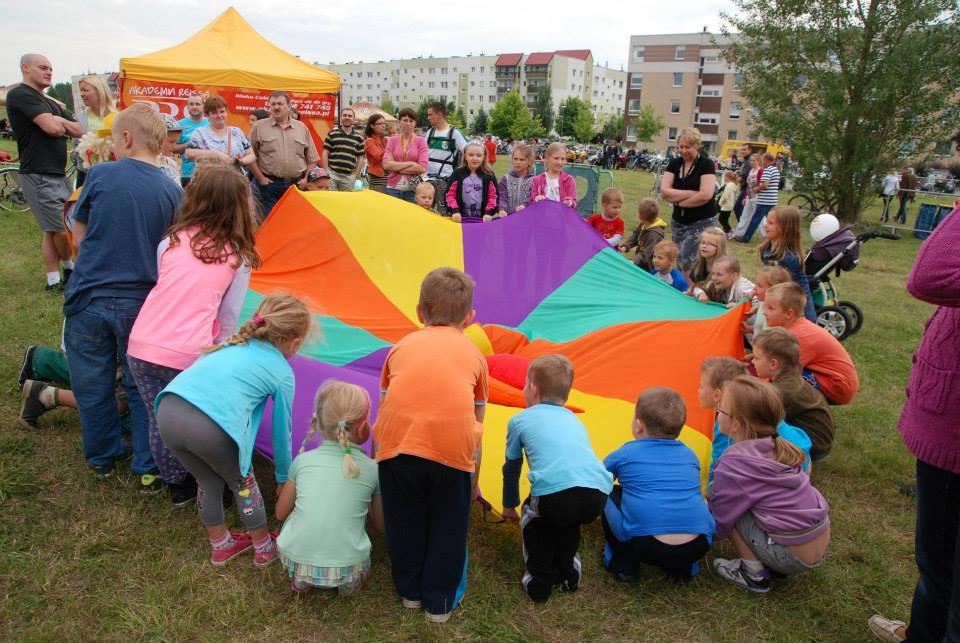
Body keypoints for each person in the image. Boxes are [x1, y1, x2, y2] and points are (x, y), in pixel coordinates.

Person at [63, 104, 182, 486]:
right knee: (140, 384)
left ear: (126, 138)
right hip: (143, 303)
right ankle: (147, 462)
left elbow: (78, 238)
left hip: (89, 296)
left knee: (91, 379)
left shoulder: (99, 175)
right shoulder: (171, 190)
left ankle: (102, 455)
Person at [127, 165, 260, 505]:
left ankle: (176, 485)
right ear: (240, 207)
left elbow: (168, 290)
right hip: (189, 355)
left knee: (160, 420)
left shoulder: (170, 242)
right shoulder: (237, 256)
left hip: (142, 346)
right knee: (209, 422)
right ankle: (217, 481)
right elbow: (229, 320)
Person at [156, 294, 308, 567]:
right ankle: (263, 547)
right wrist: (283, 476)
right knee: (243, 484)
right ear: (295, 343)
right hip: (209, 428)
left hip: (168, 412)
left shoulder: (231, 343)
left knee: (207, 480)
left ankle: (221, 544)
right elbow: (282, 432)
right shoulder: (282, 372)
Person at [373, 267, 488, 623]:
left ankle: (409, 590)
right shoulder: (475, 356)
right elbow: (477, 422)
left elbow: (387, 402)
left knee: (403, 519)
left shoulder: (400, 347)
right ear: (469, 318)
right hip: (452, 453)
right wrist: (474, 476)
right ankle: (438, 603)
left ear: (419, 311)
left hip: (396, 449)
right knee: (448, 525)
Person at [869, 204, 960, 643]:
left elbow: (931, 273)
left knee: (944, 566)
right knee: (937, 564)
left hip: (954, 438)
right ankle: (922, 633)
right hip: (946, 435)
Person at [500, 355, 612, 603]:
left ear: (533, 389)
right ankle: (569, 575)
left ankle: (539, 581)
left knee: (535, 520)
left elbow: (512, 467)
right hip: (596, 496)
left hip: (556, 495)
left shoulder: (519, 420)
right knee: (567, 522)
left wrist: (509, 505)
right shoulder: (573, 418)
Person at [710, 377, 830, 593]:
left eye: (721, 410)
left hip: (790, 555)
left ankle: (753, 574)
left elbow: (721, 518)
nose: (717, 413)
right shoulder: (780, 446)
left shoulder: (733, 463)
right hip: (818, 541)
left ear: (736, 423)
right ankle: (771, 557)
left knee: (724, 502)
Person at [275, 379, 384, 595]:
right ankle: (349, 585)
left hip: (298, 559)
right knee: (355, 571)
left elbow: (279, 513)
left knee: (296, 541)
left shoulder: (302, 461)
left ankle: (302, 581)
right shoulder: (373, 470)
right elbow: (381, 526)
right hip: (347, 565)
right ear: (363, 426)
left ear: (320, 423)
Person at [601, 388, 714, 583]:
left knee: (604, 490)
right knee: (694, 498)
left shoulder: (626, 453)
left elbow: (599, 479)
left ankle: (624, 563)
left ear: (638, 425)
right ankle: (683, 566)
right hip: (698, 545)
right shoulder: (690, 455)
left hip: (645, 545)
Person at [6, 53, 83, 291]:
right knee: (60, 230)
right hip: (38, 172)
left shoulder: (48, 101)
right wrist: (57, 124)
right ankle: (71, 270)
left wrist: (60, 124)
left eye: (50, 68)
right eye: (43, 68)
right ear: (25, 68)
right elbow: (51, 127)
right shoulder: (20, 94)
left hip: (56, 172)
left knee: (53, 229)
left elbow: (78, 129)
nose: (49, 72)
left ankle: (53, 280)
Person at [699, 357, 811, 485]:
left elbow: (718, 470)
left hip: (778, 480)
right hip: (799, 467)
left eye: (701, 386)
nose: (699, 390)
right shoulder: (760, 408)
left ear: (717, 395)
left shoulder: (726, 423)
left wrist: (709, 492)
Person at [763, 282, 859, 405]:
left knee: (783, 378)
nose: (764, 312)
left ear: (789, 313)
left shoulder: (799, 337)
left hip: (838, 386)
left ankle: (798, 416)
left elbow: (779, 370)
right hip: (831, 378)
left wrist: (757, 386)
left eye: (770, 308)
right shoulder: (795, 327)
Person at [752, 328, 835, 460]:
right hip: (817, 440)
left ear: (773, 364)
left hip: (813, 447)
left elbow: (756, 420)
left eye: (756, 358)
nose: (752, 362)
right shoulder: (790, 378)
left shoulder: (783, 391)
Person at [248, 91, 320, 217]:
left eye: (280, 104)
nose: (276, 107)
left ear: (288, 106)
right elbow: (249, 156)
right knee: (270, 223)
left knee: (293, 221)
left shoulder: (301, 128)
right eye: (273, 104)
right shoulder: (258, 127)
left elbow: (312, 159)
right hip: (269, 186)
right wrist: (260, 178)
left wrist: (305, 179)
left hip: (296, 185)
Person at [659, 128, 718, 272]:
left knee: (688, 259)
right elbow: (664, 191)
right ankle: (683, 288)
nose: (684, 151)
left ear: (696, 146)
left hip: (701, 220)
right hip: (679, 221)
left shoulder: (706, 164)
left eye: (688, 147)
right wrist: (691, 193)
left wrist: (678, 202)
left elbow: (705, 195)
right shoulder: (675, 163)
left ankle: (691, 290)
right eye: (681, 147)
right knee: (677, 257)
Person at [758, 205, 817, 321]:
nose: (765, 225)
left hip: (797, 308)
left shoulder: (789, 259)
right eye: (767, 221)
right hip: (781, 300)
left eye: (771, 223)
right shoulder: (767, 249)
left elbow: (788, 290)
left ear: (784, 228)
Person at [185, 96, 256, 175]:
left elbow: (251, 155)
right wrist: (215, 154)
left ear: (226, 112)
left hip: (235, 181)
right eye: (214, 113)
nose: (219, 115)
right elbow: (189, 154)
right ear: (208, 115)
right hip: (209, 181)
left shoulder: (236, 132)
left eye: (222, 111)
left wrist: (242, 161)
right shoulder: (200, 133)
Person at [423, 102, 468, 212]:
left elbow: (468, 152)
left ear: (439, 114)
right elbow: (424, 153)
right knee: (424, 212)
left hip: (445, 181)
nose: (428, 118)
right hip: (428, 180)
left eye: (430, 114)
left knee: (443, 213)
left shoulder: (455, 133)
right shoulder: (430, 132)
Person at [75, 75, 117, 187]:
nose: (82, 94)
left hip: (115, 175)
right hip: (88, 177)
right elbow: (77, 150)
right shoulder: (80, 119)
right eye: (81, 91)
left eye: (85, 90)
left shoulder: (119, 116)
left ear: (99, 91)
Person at [444, 142, 498, 223]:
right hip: (460, 218)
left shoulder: (489, 175)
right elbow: (450, 194)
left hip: (482, 219)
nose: (475, 158)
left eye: (479, 155)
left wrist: (488, 212)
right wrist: (455, 210)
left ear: (484, 157)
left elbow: (493, 196)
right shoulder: (457, 173)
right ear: (465, 156)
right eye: (471, 155)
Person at [383, 108, 428, 203]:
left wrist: (396, 167)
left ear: (415, 123)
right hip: (393, 188)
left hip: (413, 189)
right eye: (405, 120)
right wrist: (411, 163)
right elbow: (386, 165)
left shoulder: (421, 141)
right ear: (400, 122)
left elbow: (423, 167)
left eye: (411, 121)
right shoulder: (392, 140)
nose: (408, 123)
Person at [736, 152, 780, 243]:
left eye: (763, 159)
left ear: (766, 160)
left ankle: (746, 238)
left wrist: (756, 189)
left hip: (764, 199)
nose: (762, 161)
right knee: (766, 220)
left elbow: (765, 185)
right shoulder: (775, 170)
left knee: (756, 220)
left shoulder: (767, 170)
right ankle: (770, 238)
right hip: (771, 199)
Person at [743, 265, 792, 340]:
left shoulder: (773, 315)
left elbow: (768, 338)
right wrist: (749, 329)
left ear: (773, 290)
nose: (754, 288)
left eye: (759, 285)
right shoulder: (763, 304)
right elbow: (761, 328)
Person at [322, 108, 364, 192]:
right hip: (332, 174)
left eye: (350, 116)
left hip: (348, 177)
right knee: (330, 201)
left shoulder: (359, 137)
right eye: (344, 115)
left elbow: (361, 158)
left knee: (345, 203)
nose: (347, 117)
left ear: (353, 119)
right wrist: (326, 171)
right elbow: (325, 152)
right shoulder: (332, 133)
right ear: (340, 118)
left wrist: (355, 175)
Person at [619, 198, 666, 272]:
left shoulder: (654, 235)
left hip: (649, 268)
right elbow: (635, 236)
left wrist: (634, 260)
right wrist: (625, 246)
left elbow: (647, 253)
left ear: (640, 216)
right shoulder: (644, 224)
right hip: (640, 263)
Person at [175, 93, 209, 188]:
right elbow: (172, 148)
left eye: (197, 104)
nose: (194, 107)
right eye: (191, 104)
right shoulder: (179, 125)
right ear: (187, 106)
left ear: (203, 106)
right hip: (187, 174)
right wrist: (189, 144)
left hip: (209, 174)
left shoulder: (211, 123)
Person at [530, 142, 577, 208]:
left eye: (562, 159)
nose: (559, 162)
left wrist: (570, 202)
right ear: (547, 158)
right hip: (543, 216)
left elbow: (573, 201)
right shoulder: (537, 180)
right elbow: (532, 200)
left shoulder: (569, 180)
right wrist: (537, 198)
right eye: (556, 158)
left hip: (561, 217)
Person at [496, 143, 535, 217]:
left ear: (529, 161)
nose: (518, 162)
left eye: (522, 159)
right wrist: (502, 209)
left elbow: (532, 197)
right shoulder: (505, 179)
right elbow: (502, 197)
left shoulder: (534, 180)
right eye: (515, 159)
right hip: (509, 218)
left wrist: (524, 205)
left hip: (528, 218)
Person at [363, 113, 388, 193]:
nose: (383, 126)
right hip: (377, 177)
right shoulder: (369, 141)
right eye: (380, 123)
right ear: (372, 126)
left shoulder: (385, 140)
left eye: (384, 123)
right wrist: (390, 150)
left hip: (388, 176)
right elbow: (378, 156)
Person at [157, 116, 183, 185]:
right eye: (171, 142)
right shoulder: (147, 166)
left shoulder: (172, 163)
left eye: (176, 142)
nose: (175, 146)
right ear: (156, 139)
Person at [732, 143, 754, 222]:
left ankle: (742, 227)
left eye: (744, 149)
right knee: (742, 209)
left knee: (737, 208)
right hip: (746, 188)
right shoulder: (745, 160)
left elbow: (741, 178)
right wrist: (738, 172)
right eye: (741, 149)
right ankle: (742, 227)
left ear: (750, 150)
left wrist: (732, 178)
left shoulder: (748, 162)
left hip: (747, 189)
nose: (742, 151)